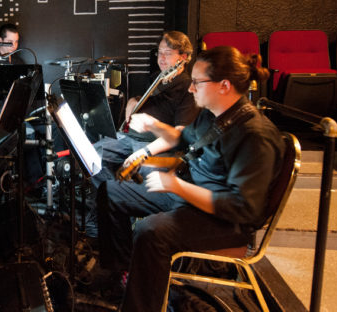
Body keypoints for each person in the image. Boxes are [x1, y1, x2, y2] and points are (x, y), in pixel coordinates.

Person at [96, 46, 285, 311]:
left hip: (222, 221)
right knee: (111, 192)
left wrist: (176, 185)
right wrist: (152, 129)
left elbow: (243, 208)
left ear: (224, 86)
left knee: (150, 232)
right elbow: (182, 139)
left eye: (197, 82)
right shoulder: (212, 114)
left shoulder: (256, 136)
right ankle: (125, 273)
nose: (191, 89)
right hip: (189, 194)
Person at [95, 31, 200, 177]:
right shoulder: (156, 77)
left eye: (168, 53)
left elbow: (180, 135)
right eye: (159, 52)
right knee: (94, 156)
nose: (161, 58)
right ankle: (107, 195)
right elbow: (140, 99)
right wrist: (132, 102)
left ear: (183, 58)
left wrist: (144, 152)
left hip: (155, 144)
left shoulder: (188, 87)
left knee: (146, 171)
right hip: (129, 137)